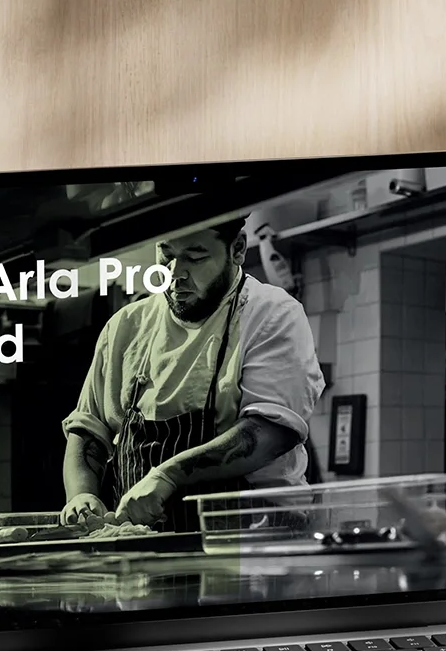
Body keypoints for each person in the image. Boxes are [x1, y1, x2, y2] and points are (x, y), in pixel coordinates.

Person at [60, 216, 324, 531]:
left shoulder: (272, 315)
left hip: (252, 542)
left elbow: (269, 432)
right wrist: (81, 496)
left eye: (195, 258)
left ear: (237, 249)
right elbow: (88, 431)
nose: (175, 274)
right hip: (144, 550)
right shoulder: (126, 326)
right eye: (166, 255)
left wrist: (168, 474)